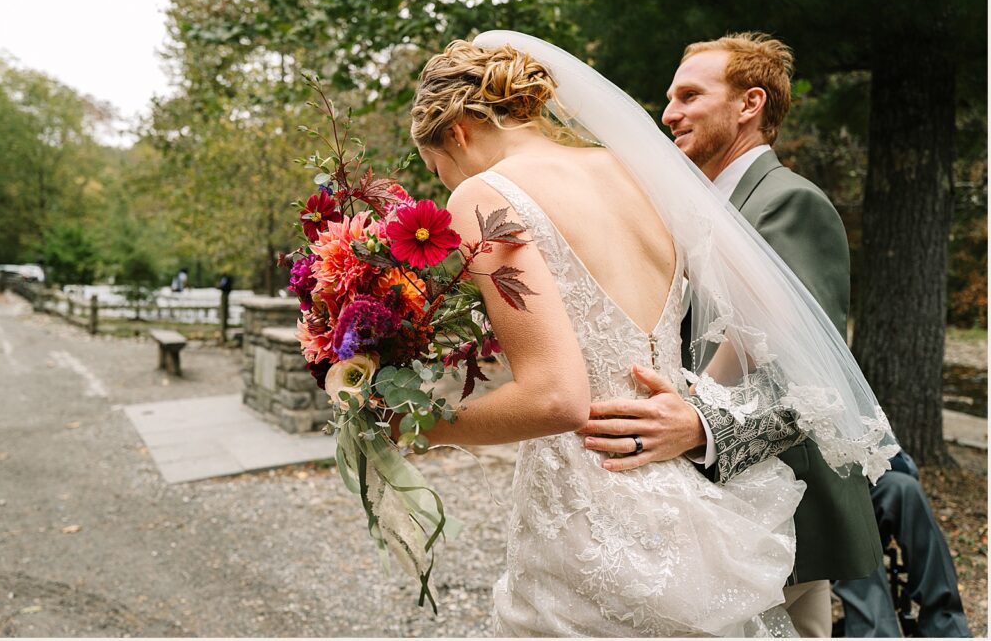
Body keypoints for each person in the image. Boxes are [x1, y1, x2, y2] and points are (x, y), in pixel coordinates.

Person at [405, 32, 897, 637]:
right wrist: (693, 404)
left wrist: (424, 425)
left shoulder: (484, 195)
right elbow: (776, 308)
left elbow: (556, 398)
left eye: (440, 168)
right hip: (677, 482)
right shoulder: (635, 173)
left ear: (456, 132)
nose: (447, 182)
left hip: (588, 486)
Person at [577, 33, 883, 637]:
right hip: (707, 499)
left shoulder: (790, 202)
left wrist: (700, 425)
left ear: (750, 104)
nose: (669, 114)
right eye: (669, 99)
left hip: (783, 506)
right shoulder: (688, 207)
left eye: (690, 95)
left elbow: (810, 375)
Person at [833, 449, 971, 637]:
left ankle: (947, 628)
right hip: (814, 503)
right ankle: (877, 634)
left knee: (904, 487)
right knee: (847, 506)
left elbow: (903, 464)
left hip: (862, 485)